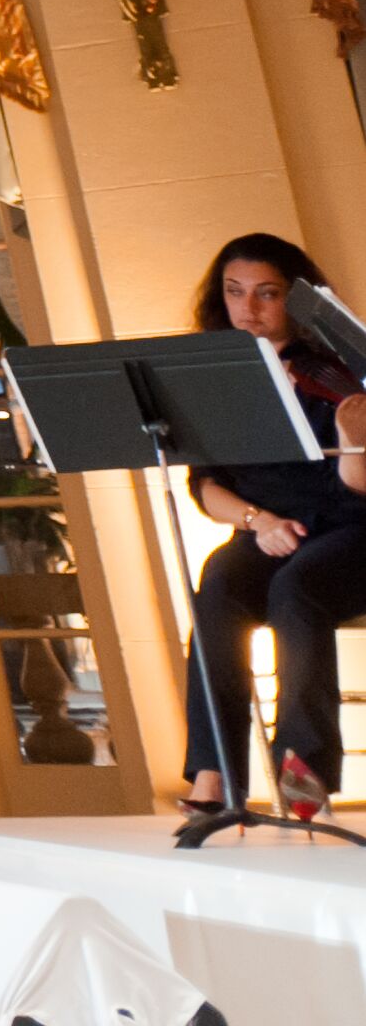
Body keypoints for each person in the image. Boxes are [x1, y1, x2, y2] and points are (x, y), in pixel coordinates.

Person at [179, 232, 366, 818]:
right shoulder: (211, 379)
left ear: (298, 299)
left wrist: (353, 442)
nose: (248, 308)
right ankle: (215, 776)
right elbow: (206, 485)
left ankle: (302, 773)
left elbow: (356, 491)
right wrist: (259, 522)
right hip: (266, 529)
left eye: (267, 293)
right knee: (220, 584)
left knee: (296, 586)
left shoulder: (339, 371)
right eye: (235, 292)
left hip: (350, 529)